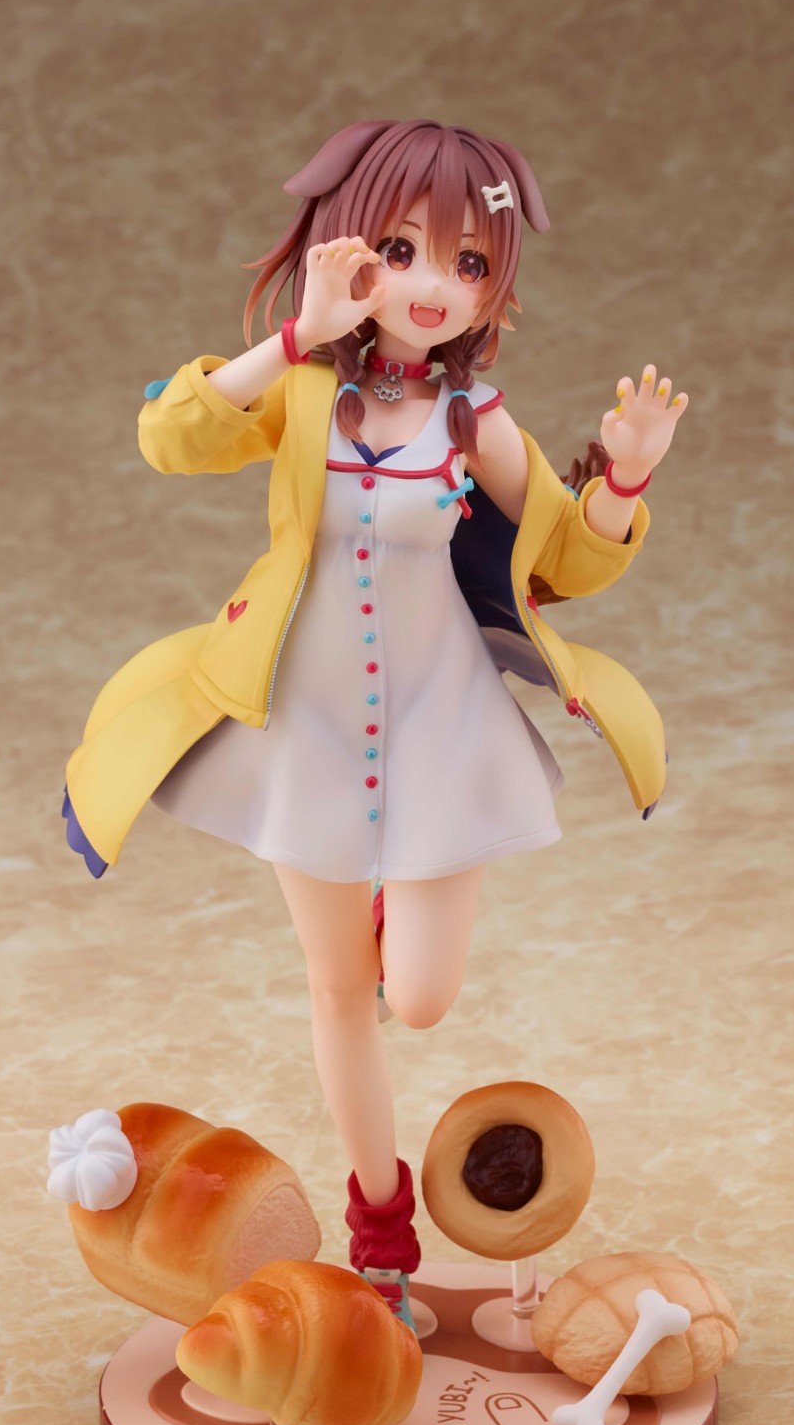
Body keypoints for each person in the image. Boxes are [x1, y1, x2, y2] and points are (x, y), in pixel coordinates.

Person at [62, 120, 689, 1331]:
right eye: (404, 250)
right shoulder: (304, 391)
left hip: (441, 730)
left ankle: (394, 910)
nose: (432, 286)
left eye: (468, 263)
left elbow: (565, 561)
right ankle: (382, 1232)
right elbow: (170, 436)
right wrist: (295, 335)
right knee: (338, 989)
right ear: (350, 247)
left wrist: (624, 477)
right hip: (304, 728)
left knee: (422, 999)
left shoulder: (475, 422)